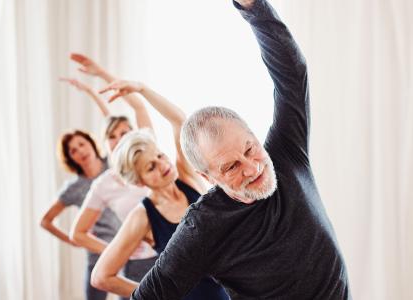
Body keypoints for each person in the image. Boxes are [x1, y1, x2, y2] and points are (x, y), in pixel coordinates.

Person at [130, 0, 351, 299]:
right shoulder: (203, 227)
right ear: (207, 177)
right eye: (230, 167)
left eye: (250, 149)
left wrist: (253, 7)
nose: (252, 168)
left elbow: (292, 74)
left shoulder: (285, 151)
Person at [89, 79, 229, 300]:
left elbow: (180, 121)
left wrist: (143, 90)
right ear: (138, 181)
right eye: (151, 167)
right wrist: (154, 294)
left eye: (160, 155)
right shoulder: (143, 216)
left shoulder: (186, 177)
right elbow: (101, 276)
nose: (163, 165)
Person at [63, 54, 159, 298]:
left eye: (126, 132)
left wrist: (102, 75)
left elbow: (138, 106)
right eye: (113, 135)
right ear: (104, 143)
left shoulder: (148, 155)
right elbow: (78, 233)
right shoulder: (104, 183)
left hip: (173, 251)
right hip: (138, 266)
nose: (121, 138)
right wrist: (118, 247)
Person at [39, 129, 117, 300]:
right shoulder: (74, 188)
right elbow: (45, 221)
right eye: (73, 150)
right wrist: (73, 240)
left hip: (127, 249)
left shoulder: (114, 163)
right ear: (70, 159)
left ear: (91, 143)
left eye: (82, 144)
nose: (80, 151)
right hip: (97, 255)